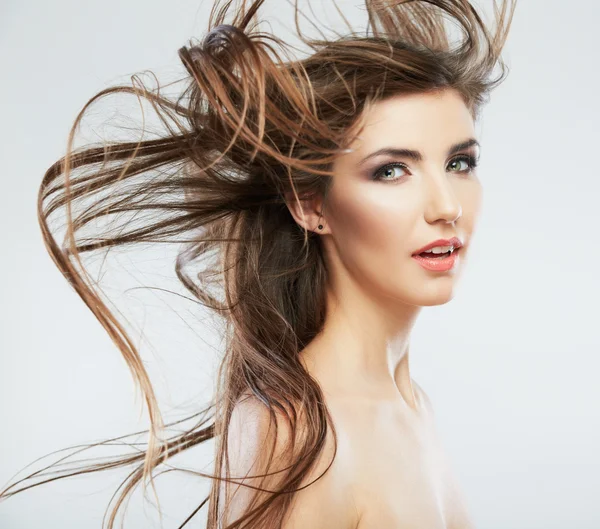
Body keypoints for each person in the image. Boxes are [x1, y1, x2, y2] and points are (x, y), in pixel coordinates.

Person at [0, 0, 517, 527]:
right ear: (311, 204)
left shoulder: (410, 405)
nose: (447, 207)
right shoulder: (296, 431)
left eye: (459, 163)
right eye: (391, 171)